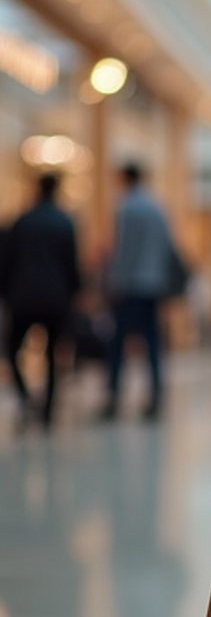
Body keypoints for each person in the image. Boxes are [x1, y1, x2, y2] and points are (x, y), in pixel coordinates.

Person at [0, 173, 80, 427]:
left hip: (23, 296)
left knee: (12, 350)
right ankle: (47, 408)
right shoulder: (64, 222)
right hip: (55, 298)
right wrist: (74, 293)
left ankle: (25, 398)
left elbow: (7, 261)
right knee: (53, 354)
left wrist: (5, 292)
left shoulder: (23, 221)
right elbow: (71, 265)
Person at [101, 163, 176, 421]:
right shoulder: (157, 209)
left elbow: (124, 250)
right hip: (153, 285)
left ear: (124, 178)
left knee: (118, 341)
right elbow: (167, 248)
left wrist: (114, 280)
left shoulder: (126, 208)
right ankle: (155, 396)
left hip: (131, 284)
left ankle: (113, 397)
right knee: (152, 342)